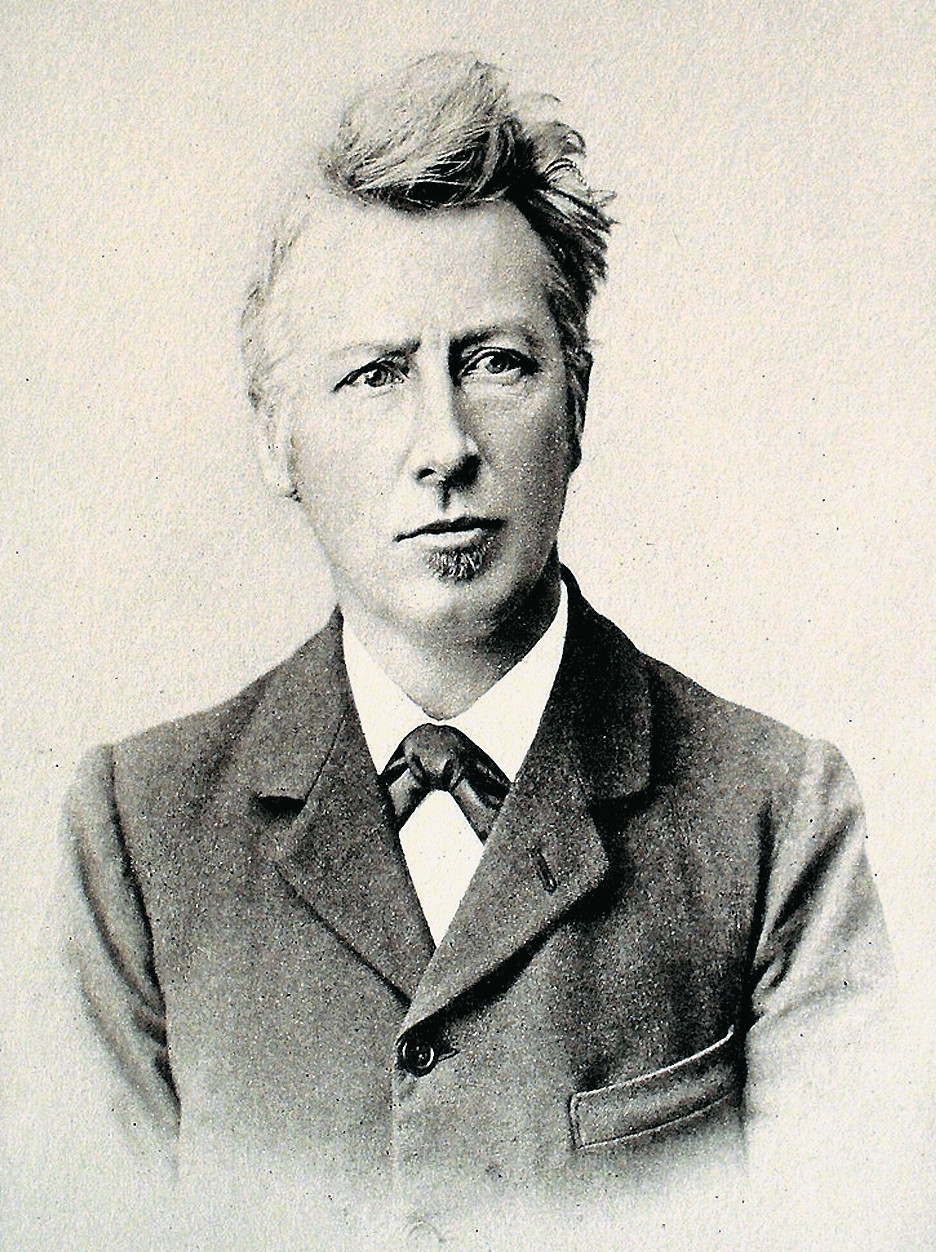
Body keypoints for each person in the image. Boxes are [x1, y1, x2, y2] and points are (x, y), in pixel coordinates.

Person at [61, 52, 892, 1250]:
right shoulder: (134, 836)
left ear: (578, 403)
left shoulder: (778, 816)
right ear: (276, 438)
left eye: (496, 361)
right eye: (375, 375)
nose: (443, 444)